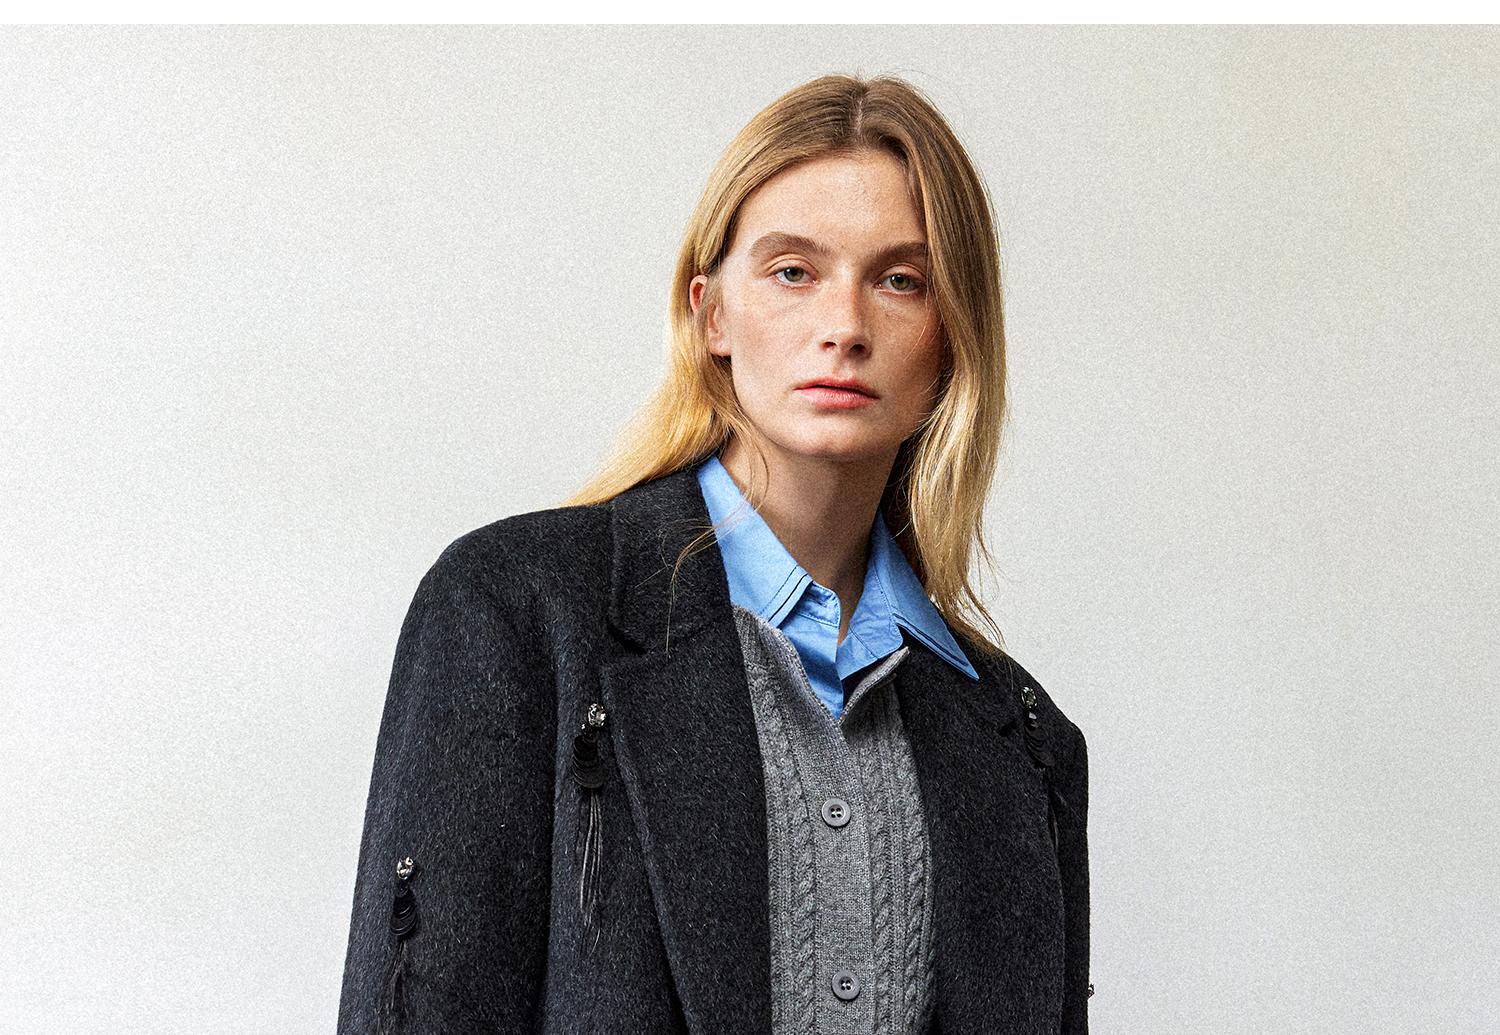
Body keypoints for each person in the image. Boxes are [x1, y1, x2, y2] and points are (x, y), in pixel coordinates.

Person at [337, 72, 1090, 1035]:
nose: (845, 327)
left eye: (901, 280)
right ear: (712, 315)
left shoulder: (1025, 743)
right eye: (793, 271)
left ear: (952, 340)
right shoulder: (514, 612)